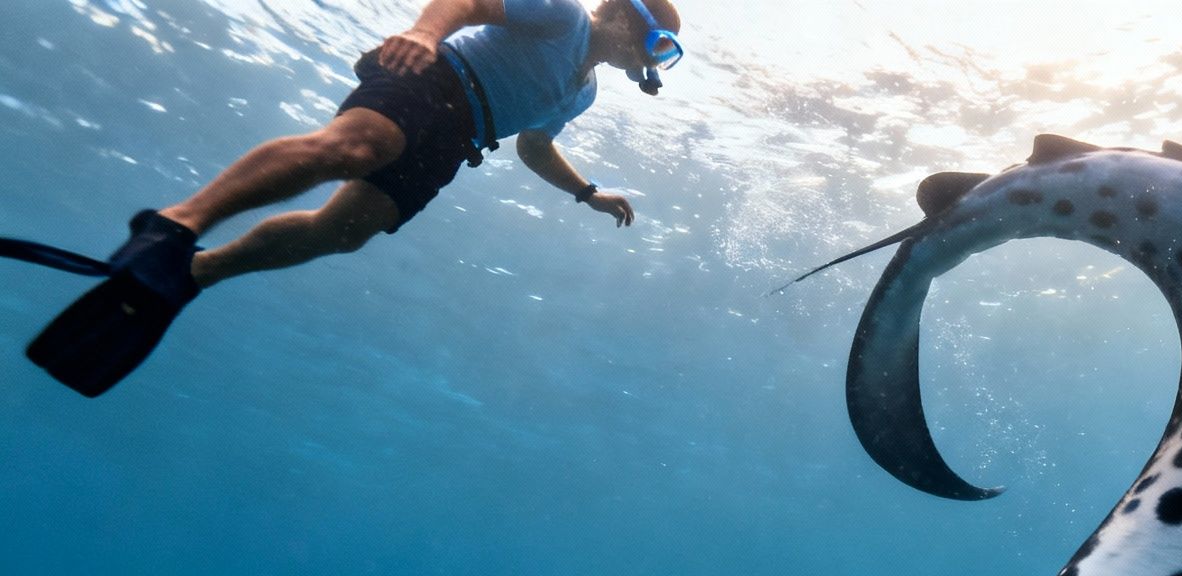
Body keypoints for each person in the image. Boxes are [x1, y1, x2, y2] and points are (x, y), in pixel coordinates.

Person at [9, 0, 685, 396]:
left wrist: (588, 193)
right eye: (656, 38)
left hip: (458, 139)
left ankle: (191, 273)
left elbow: (535, 146)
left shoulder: (584, 92)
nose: (653, 56)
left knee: (345, 230)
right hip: (434, 79)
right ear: (621, 14)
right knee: (355, 147)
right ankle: (173, 226)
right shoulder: (563, 16)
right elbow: (474, 3)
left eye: (666, 51)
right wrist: (424, 33)